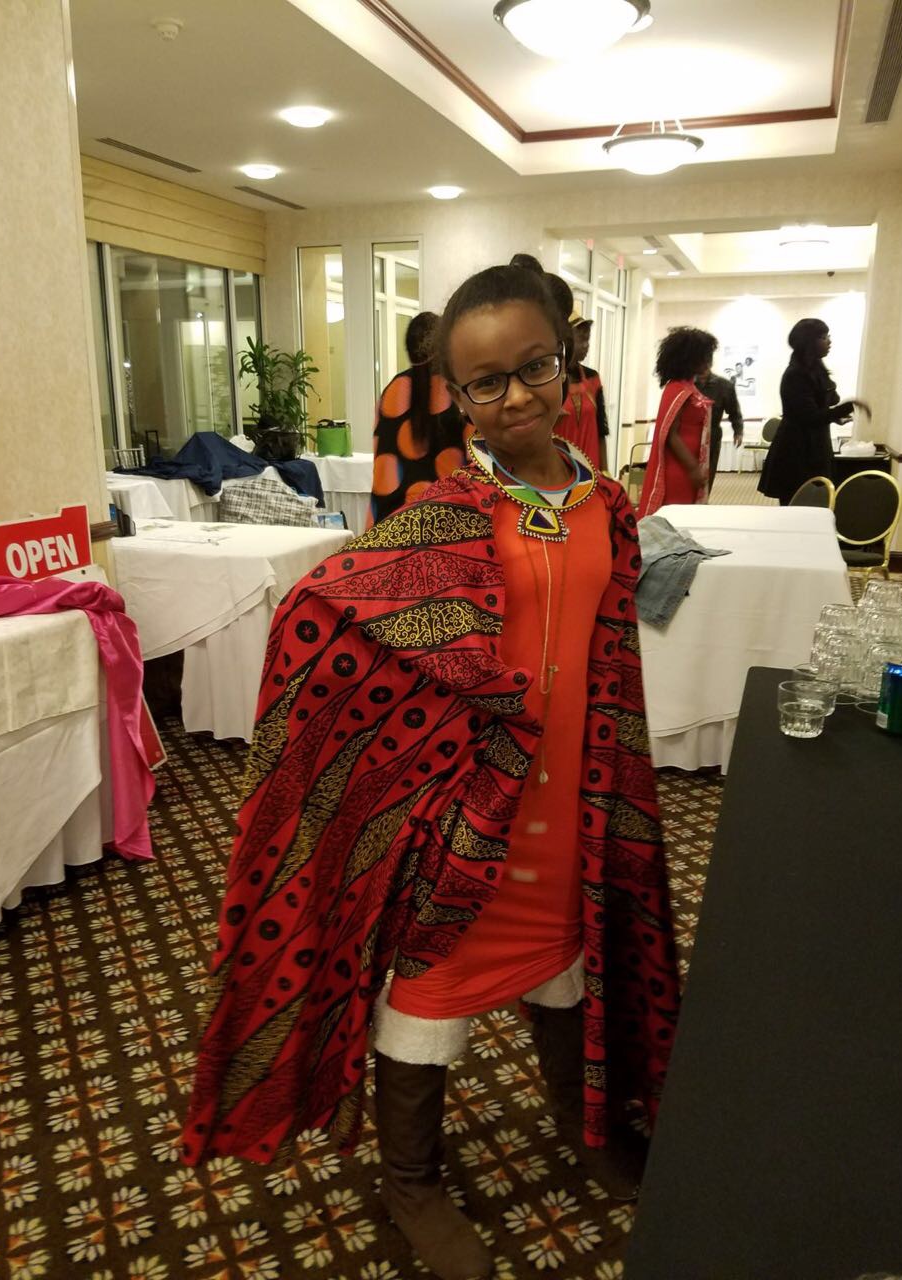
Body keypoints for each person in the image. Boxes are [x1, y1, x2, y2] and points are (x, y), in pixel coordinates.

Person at [181, 264, 679, 1280]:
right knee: (431, 989)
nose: (516, 397)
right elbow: (324, 605)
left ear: (569, 361)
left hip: (574, 795)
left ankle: (583, 1121)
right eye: (486, 382)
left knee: (568, 957)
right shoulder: (446, 513)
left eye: (534, 367)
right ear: (456, 395)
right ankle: (410, 1180)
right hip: (468, 800)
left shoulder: (608, 505)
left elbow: (611, 652)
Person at [369, 311, 469, 525]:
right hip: (447, 517)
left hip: (393, 519)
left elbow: (381, 459)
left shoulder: (391, 390)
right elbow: (475, 458)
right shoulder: (456, 390)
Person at [759, 318, 871, 505]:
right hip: (796, 450)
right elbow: (809, 417)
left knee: (818, 503)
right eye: (823, 337)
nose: (829, 341)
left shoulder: (817, 369)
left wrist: (835, 416)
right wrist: (849, 406)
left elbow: (826, 402)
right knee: (796, 505)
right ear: (809, 342)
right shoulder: (795, 374)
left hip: (815, 446)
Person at [638, 326, 717, 518]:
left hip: (688, 467)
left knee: (687, 517)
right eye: (704, 356)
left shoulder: (688, 387)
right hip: (680, 468)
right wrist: (693, 468)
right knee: (676, 518)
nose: (708, 362)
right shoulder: (677, 389)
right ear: (689, 358)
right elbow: (670, 435)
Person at [560, 312, 609, 472]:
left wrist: (605, 472)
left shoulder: (592, 378)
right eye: (581, 339)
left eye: (587, 340)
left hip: (591, 470)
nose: (586, 345)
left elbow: (601, 430)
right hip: (561, 469)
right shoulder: (551, 380)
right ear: (565, 340)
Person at [695, 365, 743, 491]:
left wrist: (738, 431)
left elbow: (734, 412)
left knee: (707, 477)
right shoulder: (687, 383)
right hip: (690, 435)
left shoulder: (724, 386)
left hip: (712, 436)